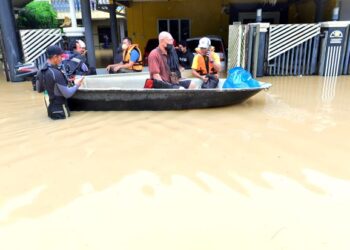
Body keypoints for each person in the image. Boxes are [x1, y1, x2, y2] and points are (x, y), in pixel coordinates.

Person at [36, 45, 84, 120]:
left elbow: (39, 90)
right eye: (61, 56)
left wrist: (65, 81)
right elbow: (67, 94)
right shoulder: (56, 73)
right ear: (55, 57)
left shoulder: (41, 71)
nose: (62, 59)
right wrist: (77, 85)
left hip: (50, 109)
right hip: (61, 110)